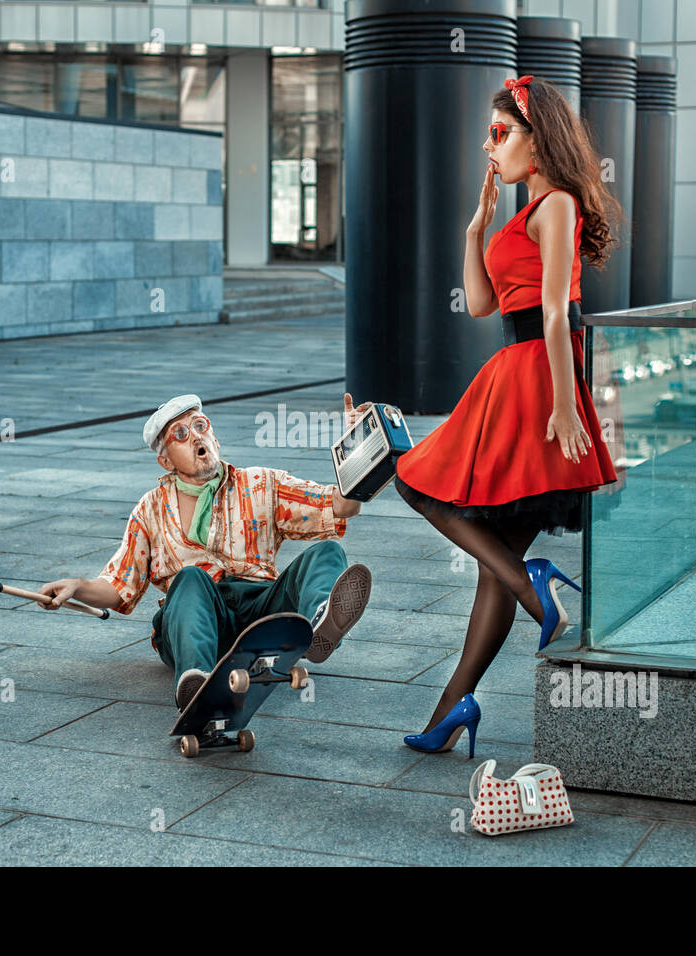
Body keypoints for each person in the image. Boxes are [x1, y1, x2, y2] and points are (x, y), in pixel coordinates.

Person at [392, 75, 621, 757]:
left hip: (533, 380)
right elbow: (483, 302)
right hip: (520, 373)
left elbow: (555, 312)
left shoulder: (556, 205)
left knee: (421, 484)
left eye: (501, 133)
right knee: (496, 557)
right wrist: (476, 228)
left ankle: (534, 585)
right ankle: (453, 707)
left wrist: (561, 404)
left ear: (538, 139)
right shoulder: (524, 212)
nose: (489, 147)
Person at [37, 393, 374, 711]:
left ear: (216, 439)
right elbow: (118, 586)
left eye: (201, 426)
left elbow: (341, 506)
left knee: (327, 552)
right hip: (193, 619)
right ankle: (196, 681)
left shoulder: (260, 484)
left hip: (261, 612)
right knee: (190, 577)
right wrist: (75, 587)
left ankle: (317, 627)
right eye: (180, 434)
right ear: (166, 460)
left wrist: (358, 451)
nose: (196, 436)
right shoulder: (150, 509)